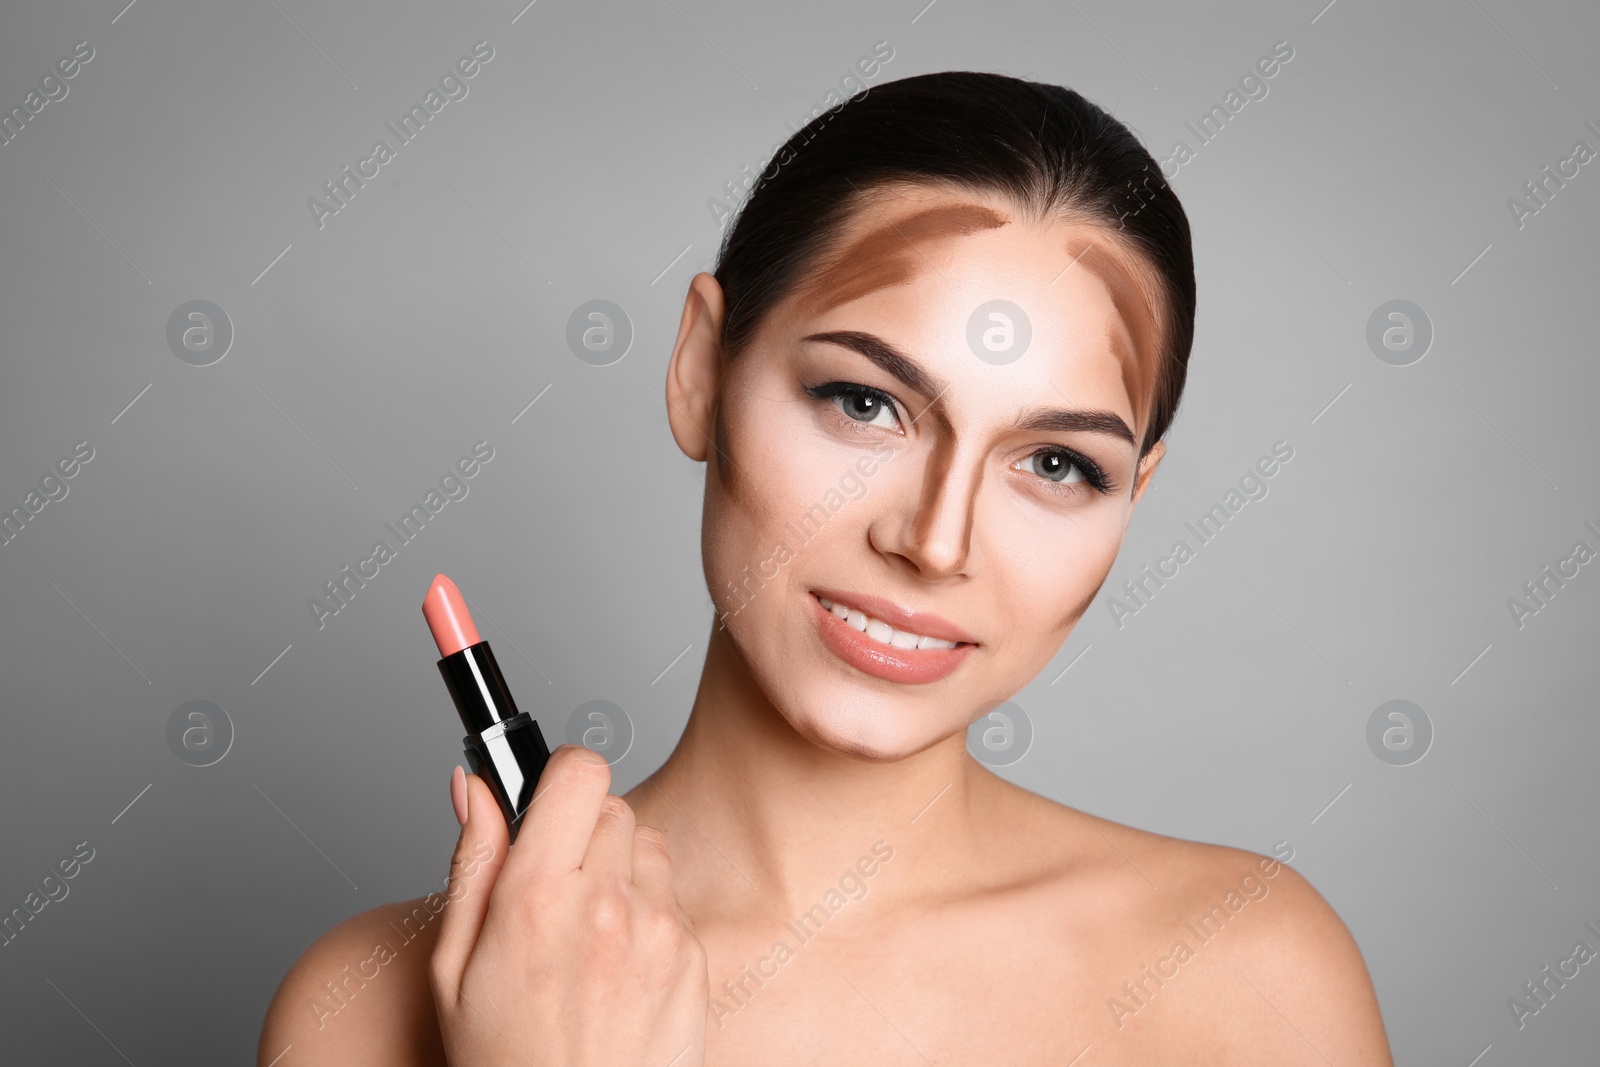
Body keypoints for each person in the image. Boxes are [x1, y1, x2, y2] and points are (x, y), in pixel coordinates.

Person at [259, 70, 1393, 1065]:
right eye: (866, 402)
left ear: (1132, 497)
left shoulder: (1247, 975)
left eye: (1054, 462)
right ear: (701, 367)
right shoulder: (367, 1007)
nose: (934, 541)